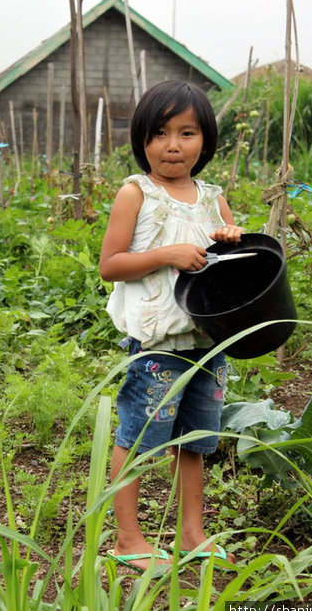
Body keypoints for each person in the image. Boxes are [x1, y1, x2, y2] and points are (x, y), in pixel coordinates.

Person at [99, 80, 242, 573]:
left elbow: (230, 264)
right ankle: (128, 539)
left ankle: (192, 533)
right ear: (142, 139)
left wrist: (229, 238)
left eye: (187, 132)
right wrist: (167, 255)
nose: (173, 145)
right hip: (158, 344)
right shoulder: (135, 193)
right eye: (160, 133)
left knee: (195, 441)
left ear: (206, 141)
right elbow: (111, 264)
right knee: (140, 437)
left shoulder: (213, 199)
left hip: (208, 341)